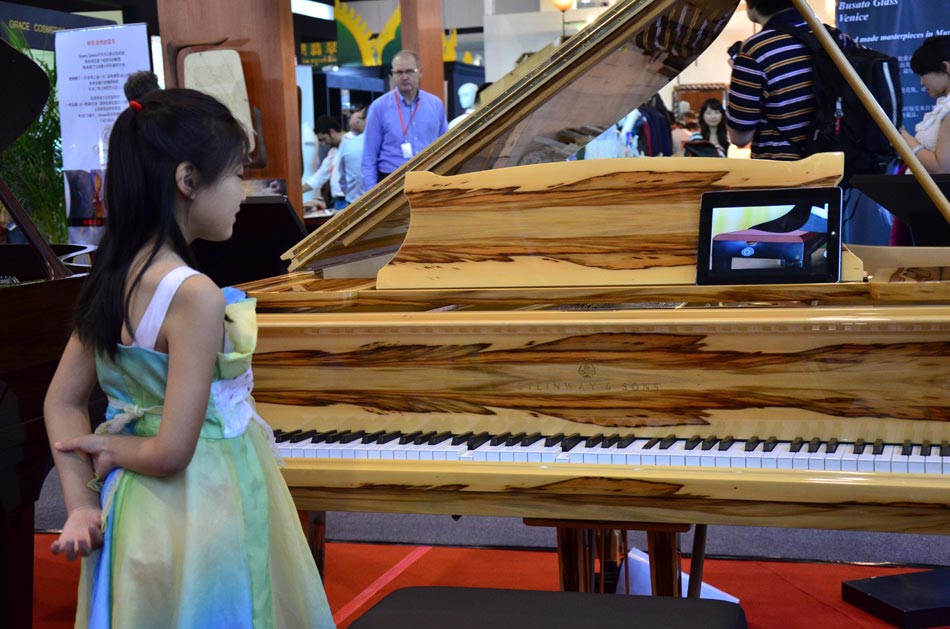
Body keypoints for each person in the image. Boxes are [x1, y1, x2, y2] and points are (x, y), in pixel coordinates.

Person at [43, 88, 335, 628]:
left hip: (132, 511)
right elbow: (175, 449)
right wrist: (107, 445)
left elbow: (60, 400)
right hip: (204, 506)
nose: (244, 192)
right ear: (187, 180)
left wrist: (79, 503)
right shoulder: (192, 294)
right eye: (237, 174)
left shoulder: (112, 276)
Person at [726, 0, 848, 160]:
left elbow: (739, 137)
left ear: (750, 5)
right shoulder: (836, 38)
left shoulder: (755, 50)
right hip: (839, 167)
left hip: (786, 174)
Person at [361, 49, 447, 189]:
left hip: (429, 181)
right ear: (392, 75)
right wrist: (370, 197)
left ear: (420, 72)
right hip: (391, 183)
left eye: (409, 71)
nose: (404, 77)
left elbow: (446, 147)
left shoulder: (435, 104)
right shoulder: (379, 107)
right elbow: (369, 156)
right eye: (399, 73)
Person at [899, 35, 950, 175]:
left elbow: (941, 168)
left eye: (923, 74)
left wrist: (903, 137)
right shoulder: (943, 106)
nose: (921, 82)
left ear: (945, 67)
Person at [303, 114, 345, 207]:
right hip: (338, 201)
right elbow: (319, 176)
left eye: (324, 139)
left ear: (332, 132)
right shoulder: (333, 152)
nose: (324, 143)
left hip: (350, 200)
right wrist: (298, 191)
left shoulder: (351, 145)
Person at [333, 107, 367, 210]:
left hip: (354, 204)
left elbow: (342, 178)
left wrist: (350, 193)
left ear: (363, 121)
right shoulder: (387, 145)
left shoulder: (349, 145)